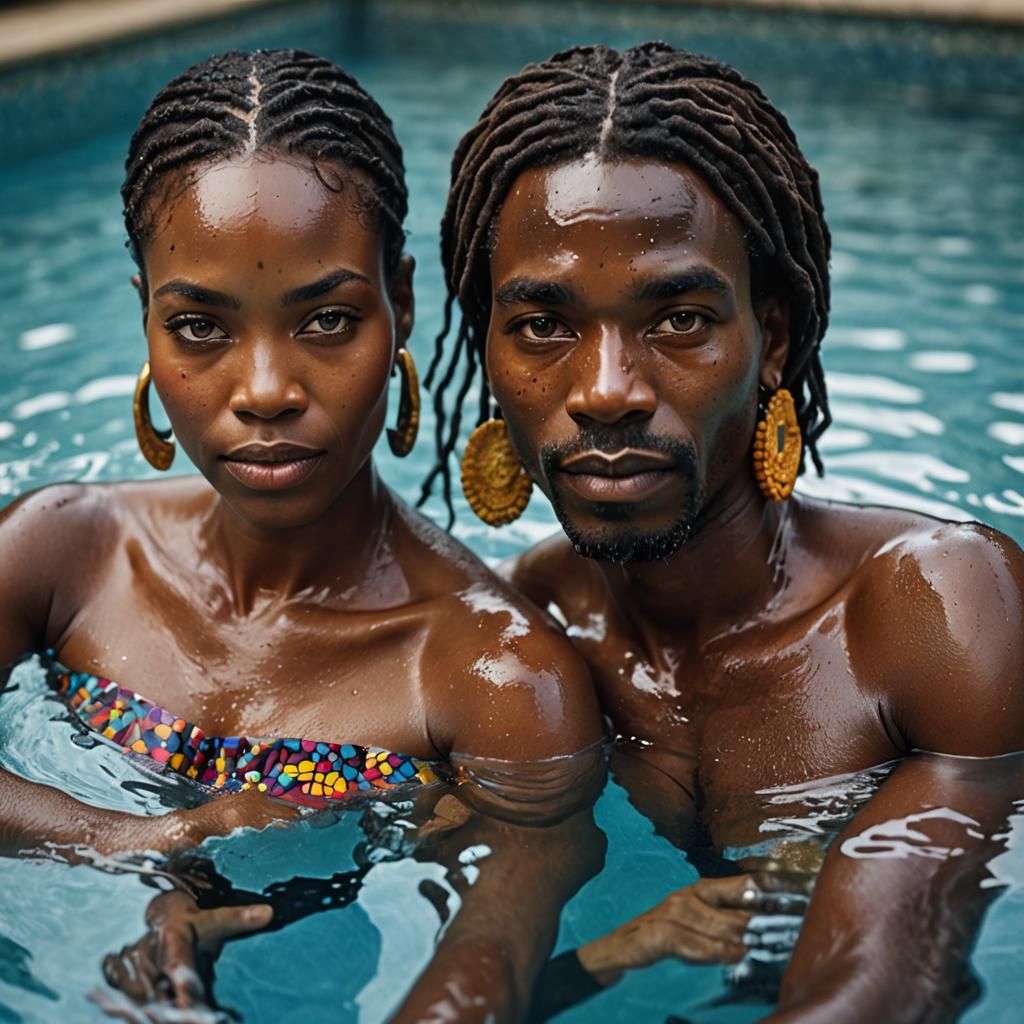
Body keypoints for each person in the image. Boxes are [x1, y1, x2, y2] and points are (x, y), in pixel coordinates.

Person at [420, 41, 1024, 1022]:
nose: (605, 389)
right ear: (486, 346)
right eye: (541, 324)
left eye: (679, 317)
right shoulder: (513, 640)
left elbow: (890, 974)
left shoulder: (936, 610)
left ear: (771, 336)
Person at [0, 48, 607, 1022]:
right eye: (199, 326)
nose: (266, 390)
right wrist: (139, 843)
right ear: (144, 322)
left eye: (326, 319)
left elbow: (481, 976)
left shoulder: (496, 682)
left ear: (400, 304)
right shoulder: (59, 550)